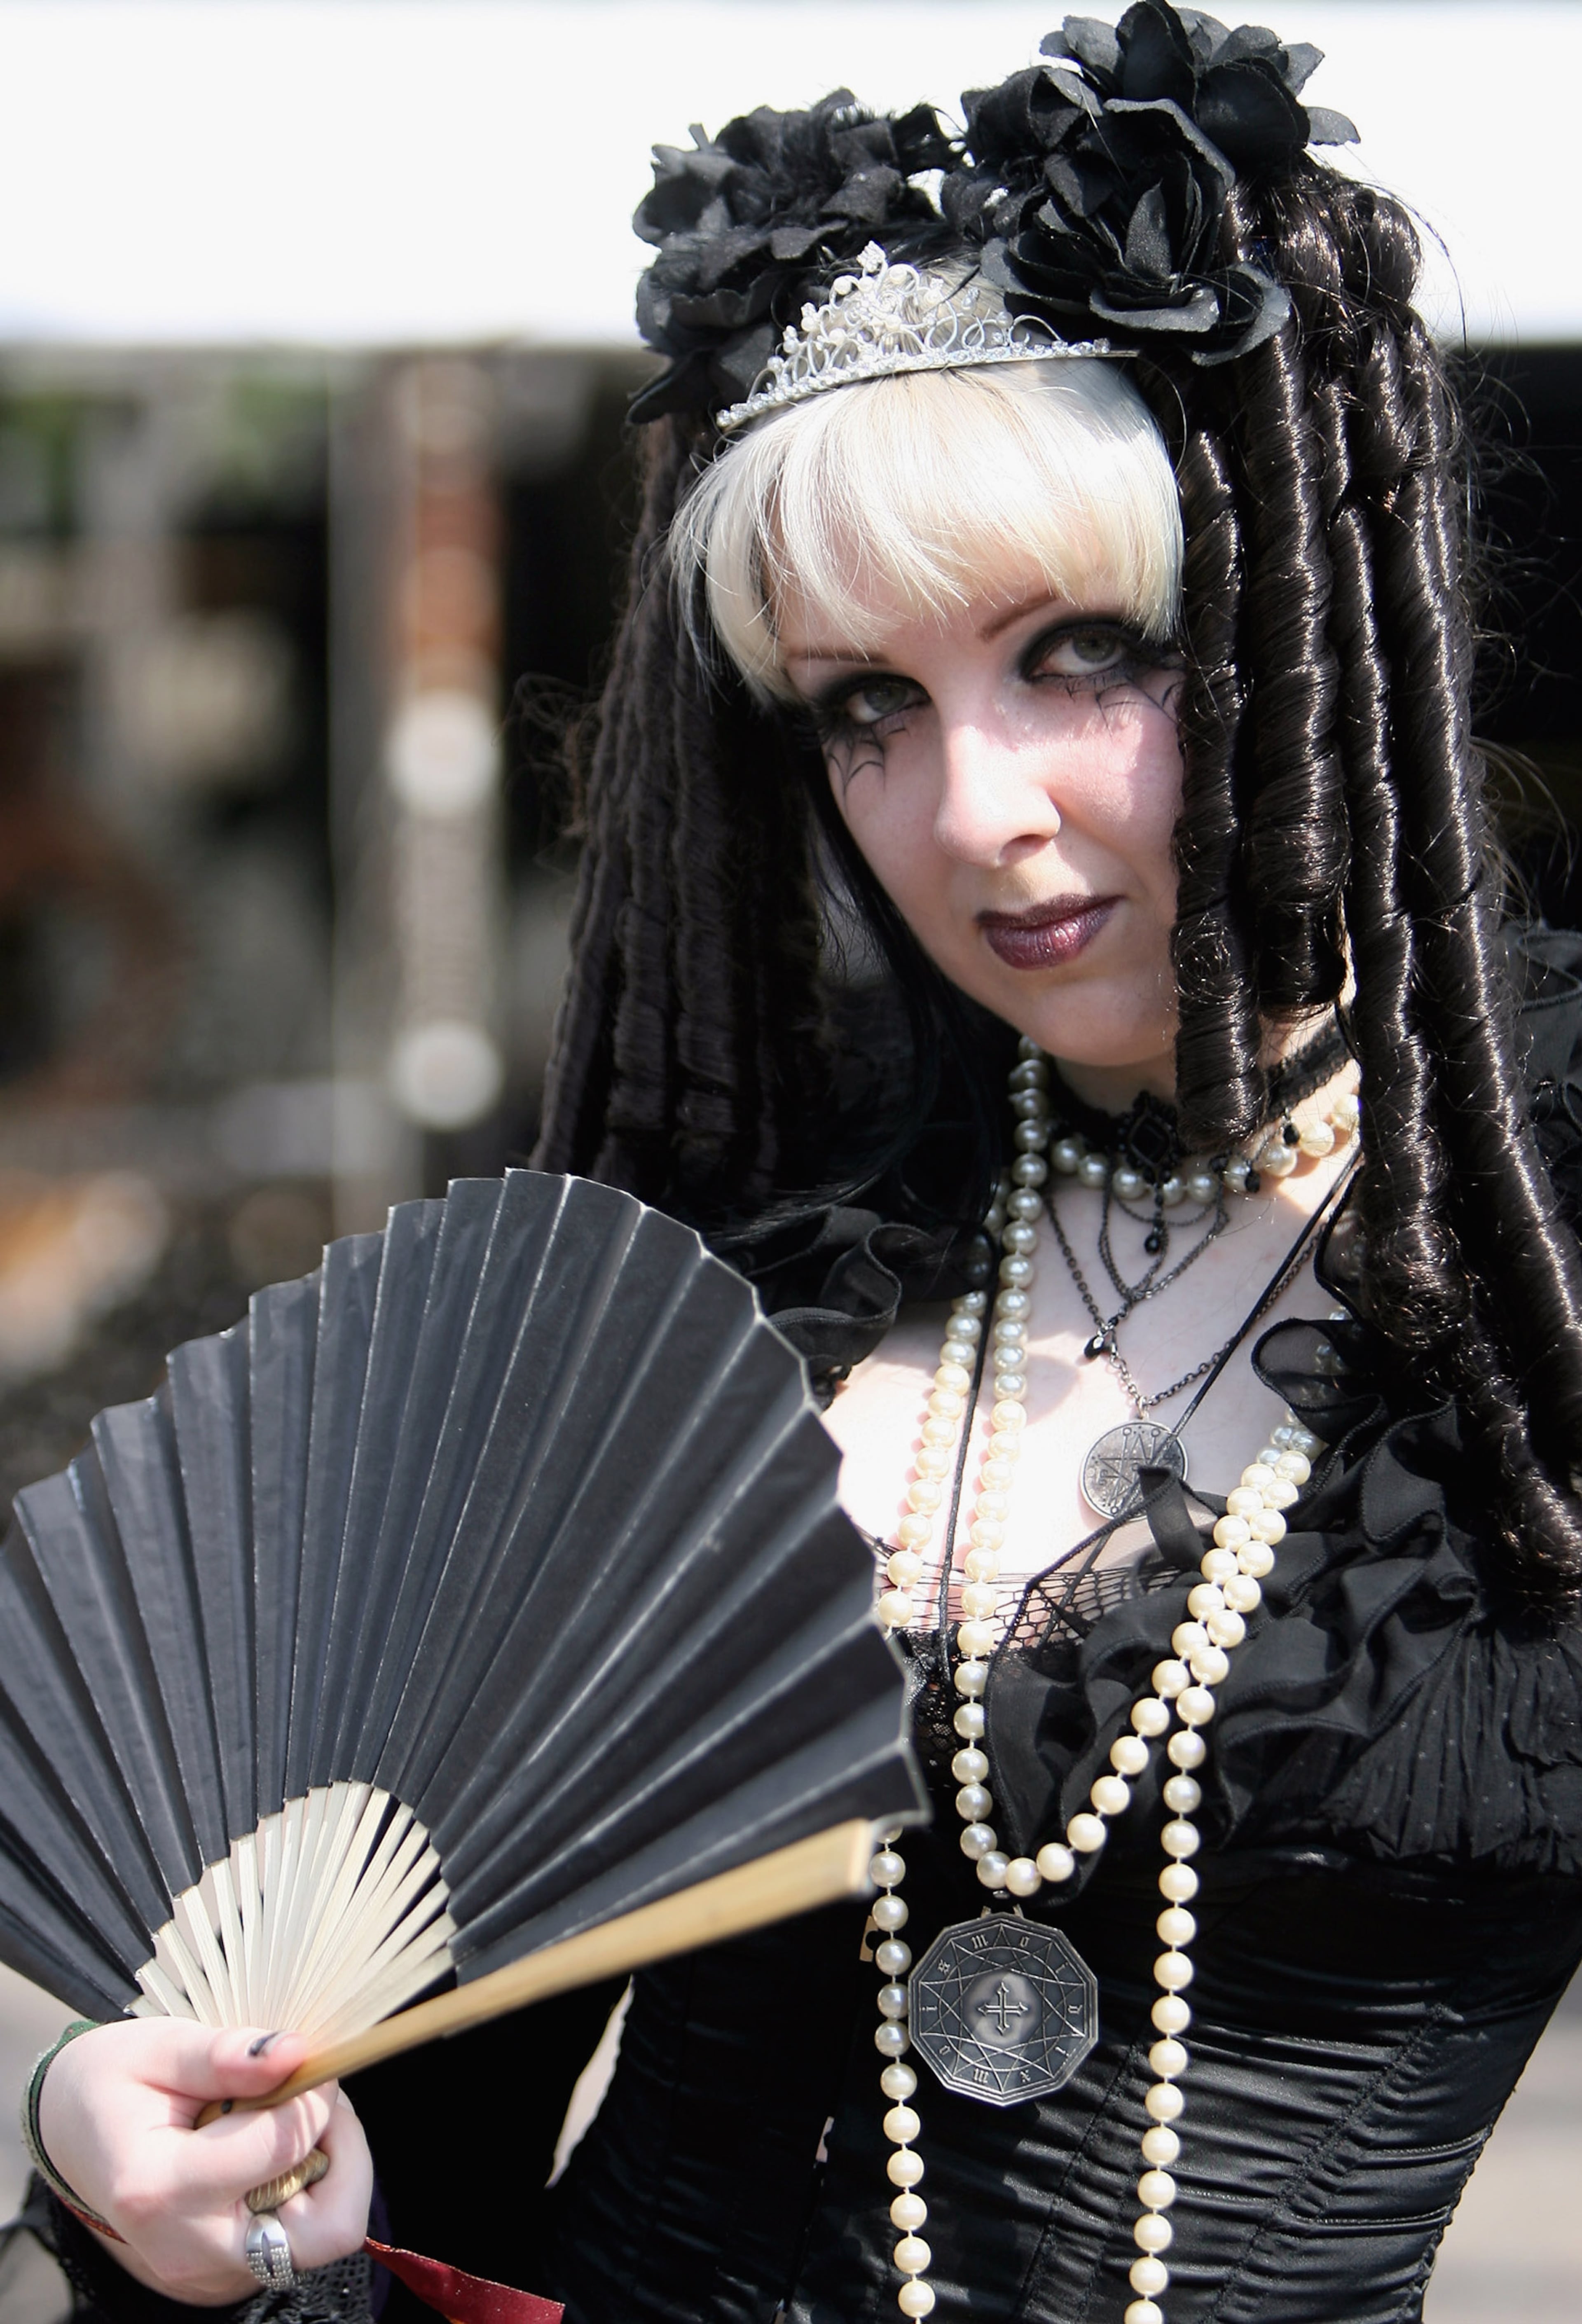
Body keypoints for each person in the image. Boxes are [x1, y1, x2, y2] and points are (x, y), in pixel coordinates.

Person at [16, 6, 1582, 2321]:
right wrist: (134, 2147)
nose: (977, 814)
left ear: (1292, 634)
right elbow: (391, 2154)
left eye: (1084, 655)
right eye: (870, 706)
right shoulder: (743, 1269)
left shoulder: (1537, 1251)